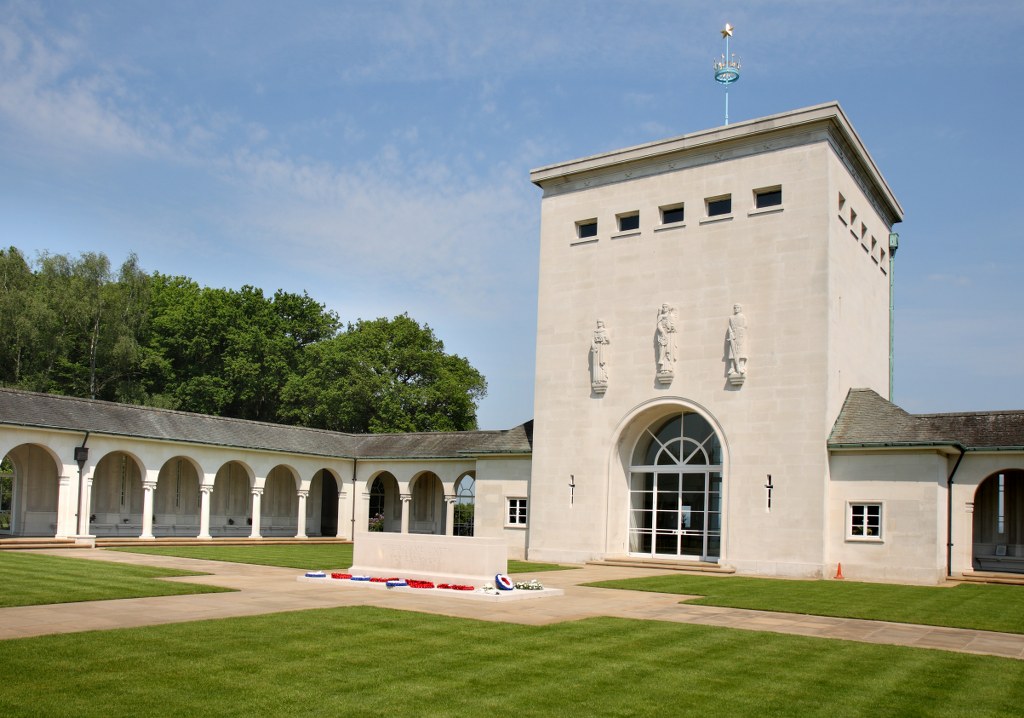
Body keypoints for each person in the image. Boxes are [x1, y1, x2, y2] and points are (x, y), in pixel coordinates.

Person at [727, 303, 748, 376]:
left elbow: (745, 326)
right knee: (732, 351)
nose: (736, 309)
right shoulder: (731, 317)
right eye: (735, 308)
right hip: (733, 335)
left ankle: (741, 366)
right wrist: (731, 333)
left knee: (741, 351)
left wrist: (740, 332)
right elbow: (729, 326)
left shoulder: (742, 317)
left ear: (740, 308)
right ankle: (732, 367)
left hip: (740, 335)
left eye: (738, 307)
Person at [590, 320, 610, 390]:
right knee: (596, 365)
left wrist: (603, 338)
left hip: (602, 349)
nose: (599, 324)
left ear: (602, 323)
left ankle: (603, 379)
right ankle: (596, 380)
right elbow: (592, 340)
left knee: (602, 364)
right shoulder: (595, 331)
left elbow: (608, 340)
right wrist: (593, 346)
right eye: (598, 322)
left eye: (600, 322)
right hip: (596, 351)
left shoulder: (604, 331)